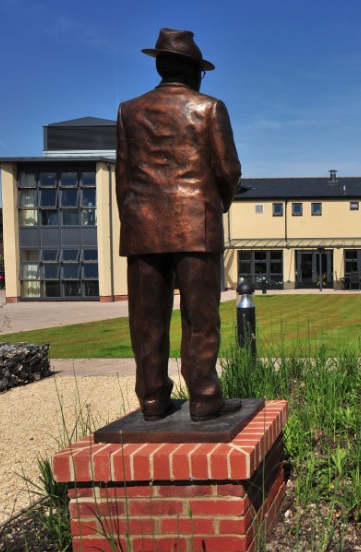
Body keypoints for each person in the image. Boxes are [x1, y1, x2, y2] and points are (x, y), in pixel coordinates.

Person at [116, 28, 242, 422]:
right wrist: (218, 203)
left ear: (159, 64)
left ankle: (152, 400)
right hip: (195, 225)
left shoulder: (128, 110)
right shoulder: (209, 108)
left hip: (142, 228)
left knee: (146, 320)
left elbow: (122, 177)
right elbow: (228, 170)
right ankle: (204, 397)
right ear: (195, 72)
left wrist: (135, 218)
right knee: (200, 317)